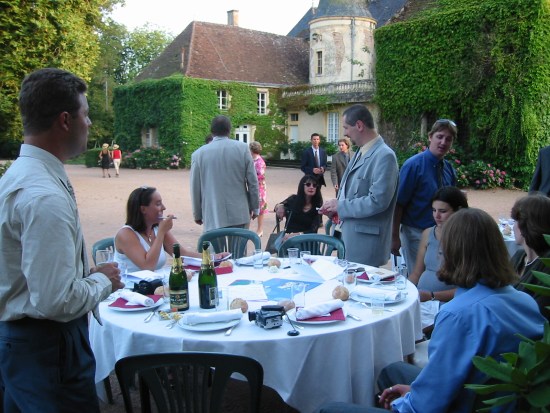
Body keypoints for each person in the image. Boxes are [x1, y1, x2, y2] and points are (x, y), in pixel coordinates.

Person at [318, 208, 545, 413]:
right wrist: (416, 390)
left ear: (451, 252)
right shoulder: (524, 301)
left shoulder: (458, 315)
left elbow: (426, 406)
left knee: (329, 409)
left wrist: (403, 402)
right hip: (495, 400)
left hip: (464, 404)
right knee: (392, 370)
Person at [0, 68, 122, 412]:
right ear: (65, 120)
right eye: (86, 114)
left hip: (28, 345)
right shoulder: (43, 195)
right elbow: (54, 301)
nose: (90, 123)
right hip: (48, 347)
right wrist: (102, 280)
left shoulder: (21, 176)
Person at [319, 104, 398, 267]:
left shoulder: (385, 156)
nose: (344, 133)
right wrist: (335, 210)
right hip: (347, 238)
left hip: (366, 246)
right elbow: (351, 193)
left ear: (359, 125)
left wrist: (340, 206)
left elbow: (378, 201)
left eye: (346, 127)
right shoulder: (362, 151)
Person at [391, 119, 457, 274]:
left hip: (441, 233)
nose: (443, 142)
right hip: (415, 233)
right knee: (419, 276)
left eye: (448, 139)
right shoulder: (413, 165)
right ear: (430, 137)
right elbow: (398, 204)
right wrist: (394, 237)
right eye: (439, 137)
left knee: (437, 275)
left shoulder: (448, 168)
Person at [114, 186, 228, 273]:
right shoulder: (126, 234)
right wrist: (161, 233)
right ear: (143, 209)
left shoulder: (157, 228)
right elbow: (147, 266)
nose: (164, 207)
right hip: (129, 291)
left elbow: (182, 255)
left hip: (153, 287)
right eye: (158, 204)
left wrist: (215, 257)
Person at [407, 186, 468, 332]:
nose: (436, 216)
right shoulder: (428, 233)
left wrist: (432, 296)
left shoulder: (466, 239)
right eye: (434, 210)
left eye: (443, 211)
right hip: (422, 299)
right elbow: (416, 273)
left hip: (446, 304)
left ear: (458, 211)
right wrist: (403, 290)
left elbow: (468, 289)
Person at [190, 115, 259, 232]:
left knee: (216, 250)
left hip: (213, 212)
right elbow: (253, 182)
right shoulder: (242, 149)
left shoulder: (198, 154)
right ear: (229, 130)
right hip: (239, 211)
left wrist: (197, 213)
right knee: (238, 250)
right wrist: (255, 207)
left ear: (212, 131)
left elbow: (195, 188)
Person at [510, 193, 550, 320]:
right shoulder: (519, 256)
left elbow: (540, 313)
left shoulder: (547, 264)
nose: (513, 226)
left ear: (527, 225)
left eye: (515, 220)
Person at [274, 175, 323, 239]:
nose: (311, 187)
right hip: (288, 239)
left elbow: (313, 230)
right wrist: (280, 206)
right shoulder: (293, 199)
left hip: (307, 241)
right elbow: (276, 207)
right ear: (302, 186)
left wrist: (297, 235)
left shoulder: (317, 206)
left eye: (314, 185)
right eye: (308, 184)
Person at [250, 141, 267, 237]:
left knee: (260, 209)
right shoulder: (251, 159)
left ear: (252, 150)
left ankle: (260, 229)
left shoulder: (260, 161)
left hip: (259, 188)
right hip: (252, 186)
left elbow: (261, 176)